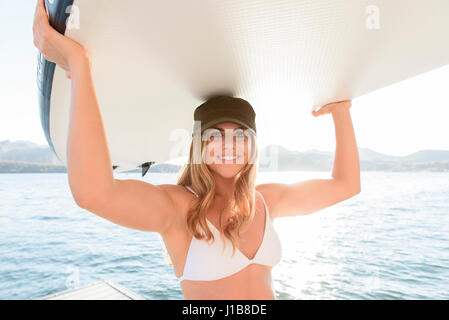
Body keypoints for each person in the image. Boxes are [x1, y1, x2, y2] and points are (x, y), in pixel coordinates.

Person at [33, 0, 360, 300]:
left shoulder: (266, 201)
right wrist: (79, 64)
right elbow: (93, 193)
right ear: (199, 146)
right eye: (216, 136)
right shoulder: (178, 209)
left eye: (241, 135)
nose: (230, 145)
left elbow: (346, 185)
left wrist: (341, 111)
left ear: (252, 144)